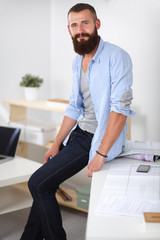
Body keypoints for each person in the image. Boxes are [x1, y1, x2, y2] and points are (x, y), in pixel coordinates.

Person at [20, 3, 134, 240]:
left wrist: (101, 153)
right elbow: (74, 106)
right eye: (74, 25)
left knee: (38, 183)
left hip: (96, 139)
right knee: (44, 185)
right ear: (69, 30)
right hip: (78, 135)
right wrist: (56, 143)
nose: (80, 29)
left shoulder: (117, 56)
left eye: (85, 23)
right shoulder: (78, 60)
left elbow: (120, 110)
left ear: (97, 24)